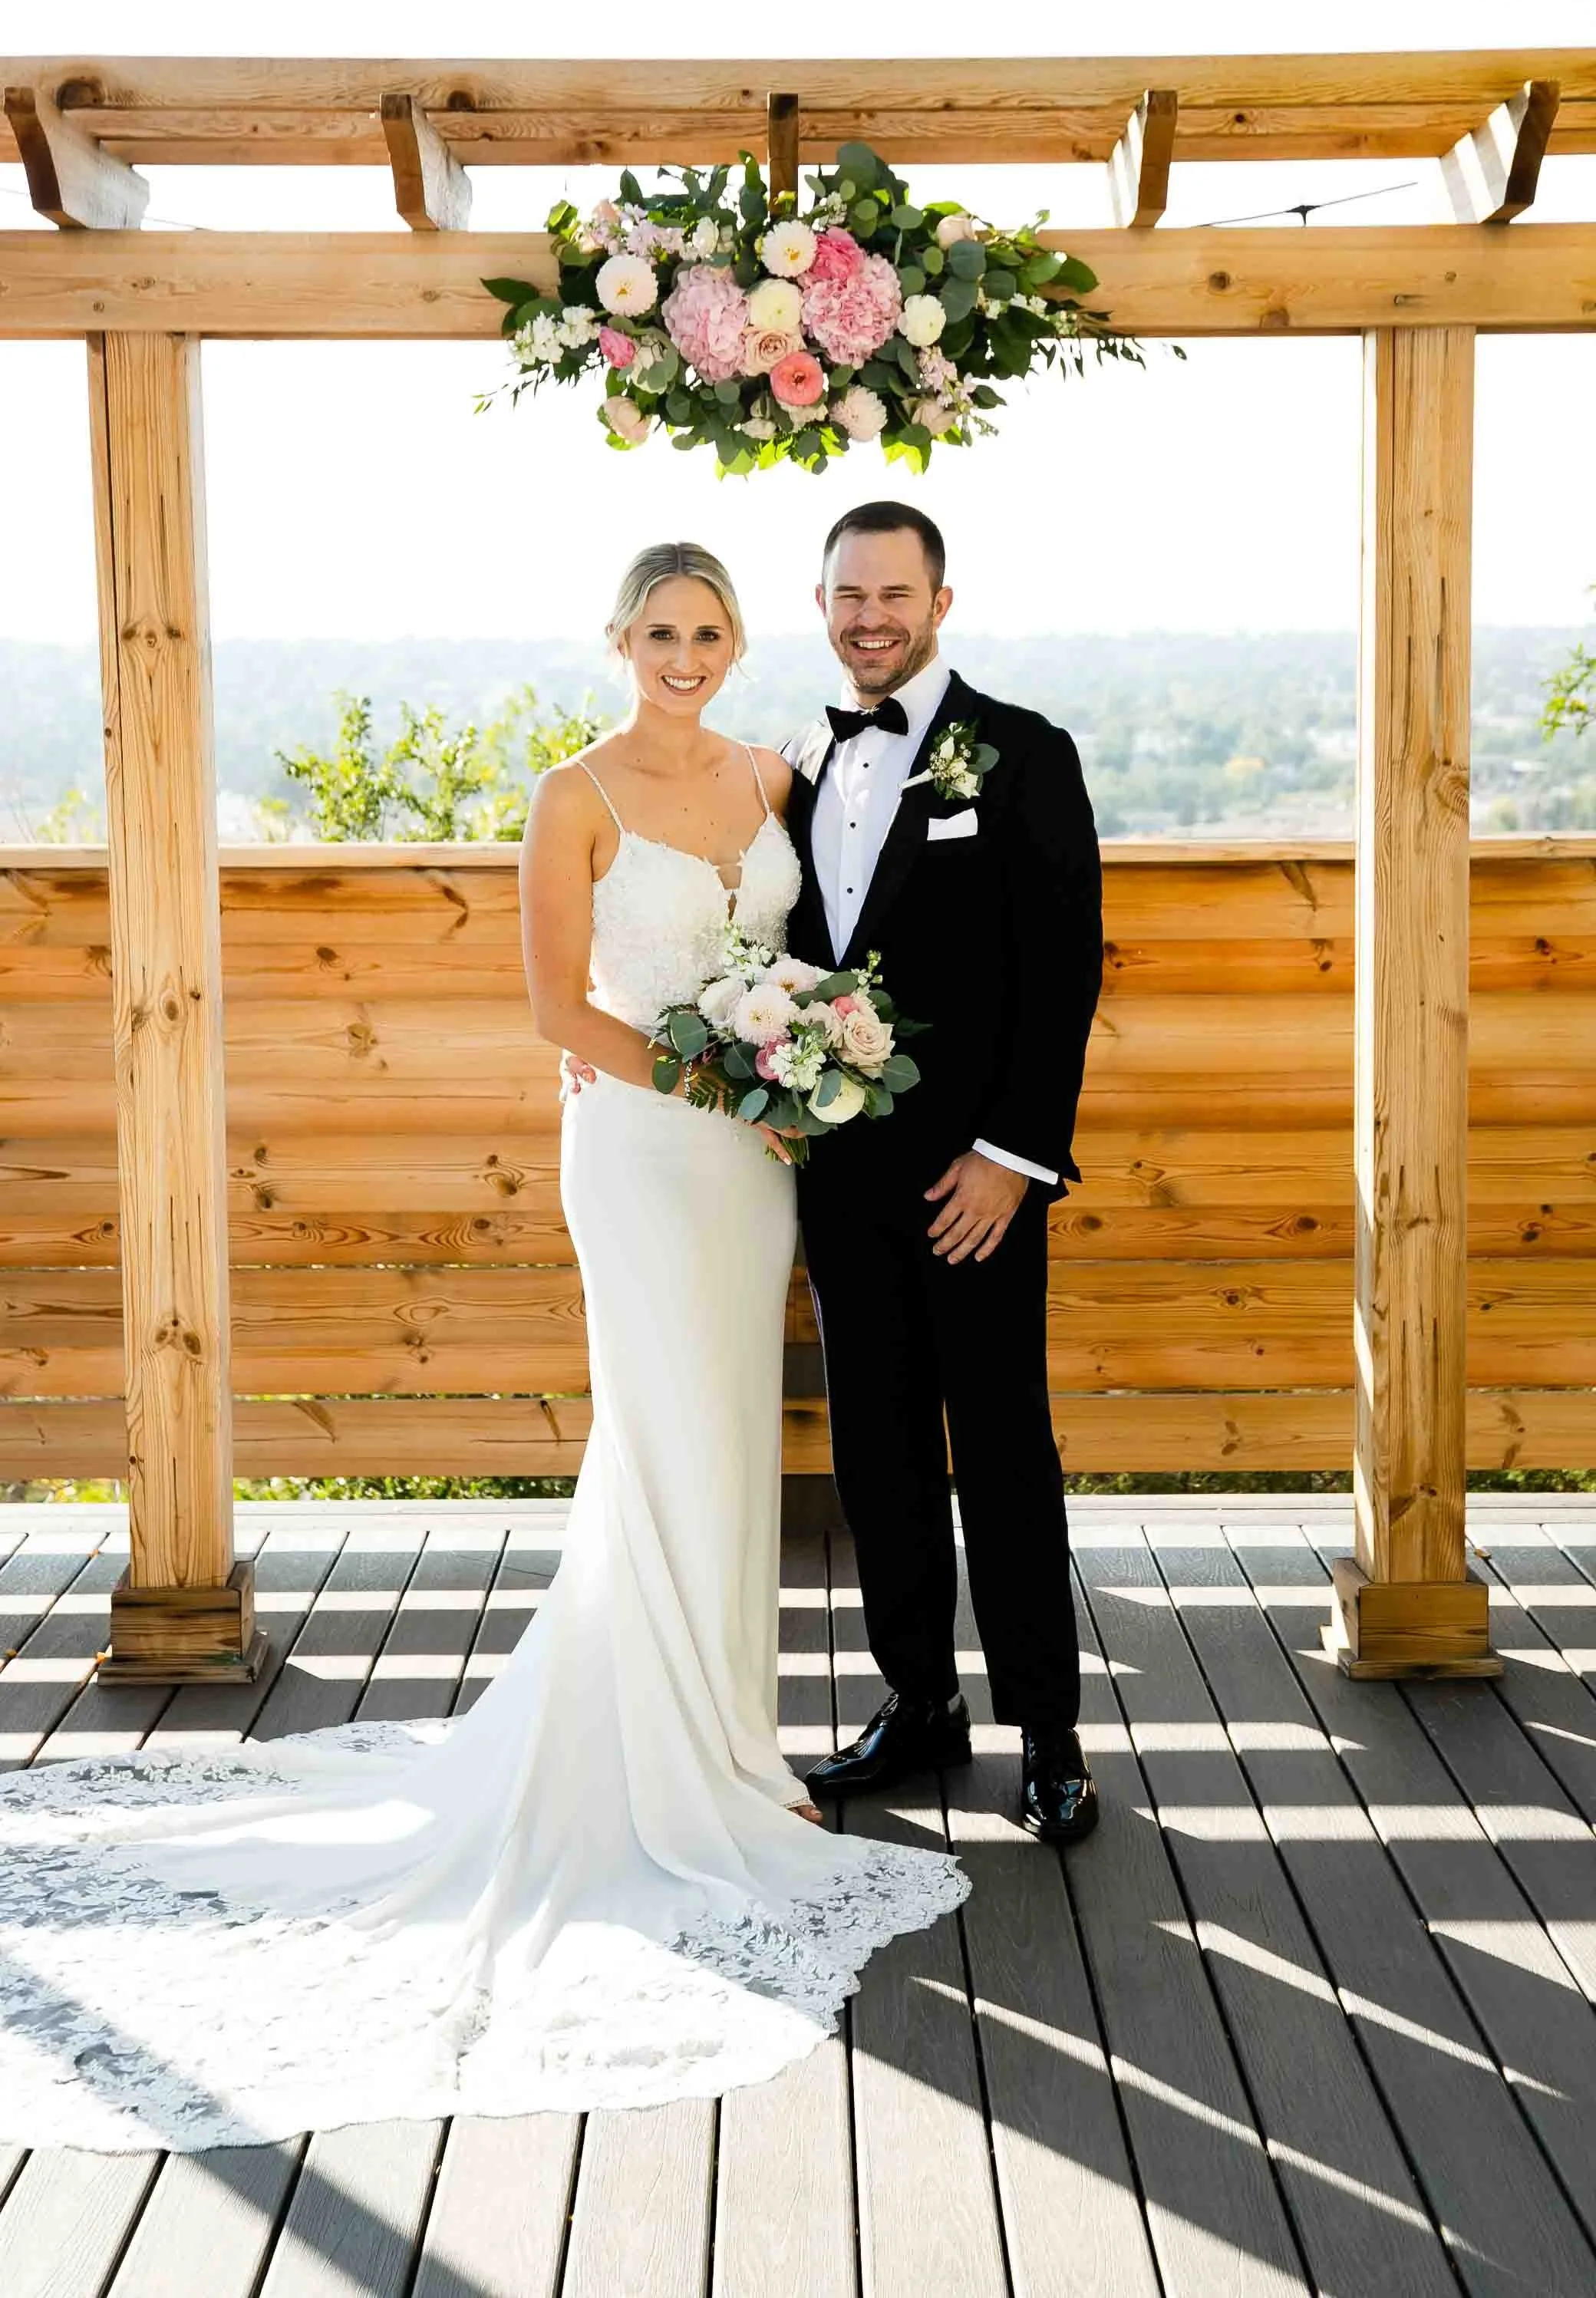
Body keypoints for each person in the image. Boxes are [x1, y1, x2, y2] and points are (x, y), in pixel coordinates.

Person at [0, 541, 967, 2156]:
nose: (684, 653)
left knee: (727, 1437)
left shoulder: (772, 774)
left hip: (753, 1171)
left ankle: (727, 1740)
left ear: (738, 645)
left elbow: (817, 955)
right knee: (664, 1430)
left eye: (708, 631)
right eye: (658, 630)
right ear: (617, 640)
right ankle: (675, 1767)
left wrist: (813, 1063)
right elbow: (556, 1012)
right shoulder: (570, 794)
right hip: (651, 1158)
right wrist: (733, 1087)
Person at [785, 500, 1103, 1843]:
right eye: (850, 597)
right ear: (823, 607)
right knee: (878, 1450)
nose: (872, 620)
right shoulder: (798, 763)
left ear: (940, 602)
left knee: (1004, 1449)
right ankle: (920, 1704)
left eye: (894, 596)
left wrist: (1013, 1160)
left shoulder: (1021, 754)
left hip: (978, 1185)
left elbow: (1064, 970)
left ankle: (1048, 1733)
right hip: (839, 1177)